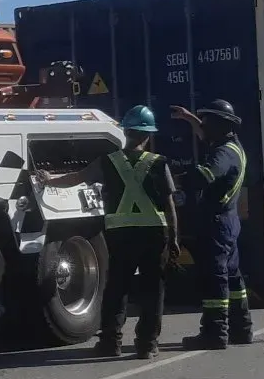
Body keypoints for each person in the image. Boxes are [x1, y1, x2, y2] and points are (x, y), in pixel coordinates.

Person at [36, 104, 180, 358]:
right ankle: (148, 344)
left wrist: (48, 179)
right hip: (155, 235)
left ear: (125, 132)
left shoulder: (108, 162)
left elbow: (76, 178)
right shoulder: (159, 163)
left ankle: (110, 342)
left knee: (117, 288)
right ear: (148, 135)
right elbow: (170, 205)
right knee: (153, 291)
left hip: (121, 235)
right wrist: (175, 239)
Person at [168, 99, 252, 350]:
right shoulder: (231, 146)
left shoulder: (223, 153)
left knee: (215, 277)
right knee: (232, 276)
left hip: (217, 223)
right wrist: (188, 118)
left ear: (220, 125)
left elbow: (203, 176)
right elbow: (205, 135)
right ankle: (242, 328)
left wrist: (173, 180)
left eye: (207, 121)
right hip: (228, 221)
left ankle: (215, 332)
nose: (203, 125)